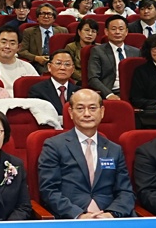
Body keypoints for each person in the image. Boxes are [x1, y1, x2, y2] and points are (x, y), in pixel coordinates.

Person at [37, 89, 136, 219]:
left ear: (102, 112)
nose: (87, 114)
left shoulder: (114, 149)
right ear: (71, 113)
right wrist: (78, 215)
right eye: (80, 108)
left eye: (93, 108)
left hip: (108, 217)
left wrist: (111, 214)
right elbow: (49, 190)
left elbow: (125, 191)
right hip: (71, 218)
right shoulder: (54, 145)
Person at [17, 3, 66, 72]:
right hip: (37, 64)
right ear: (37, 17)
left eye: (49, 14)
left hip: (58, 64)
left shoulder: (62, 31)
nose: (46, 16)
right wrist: (36, 58)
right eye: (42, 13)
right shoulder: (29, 32)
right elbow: (22, 51)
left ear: (54, 18)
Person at [28, 48, 78, 114]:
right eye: (58, 63)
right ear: (49, 67)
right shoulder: (37, 90)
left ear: (73, 69)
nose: (62, 68)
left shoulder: (79, 92)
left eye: (67, 64)